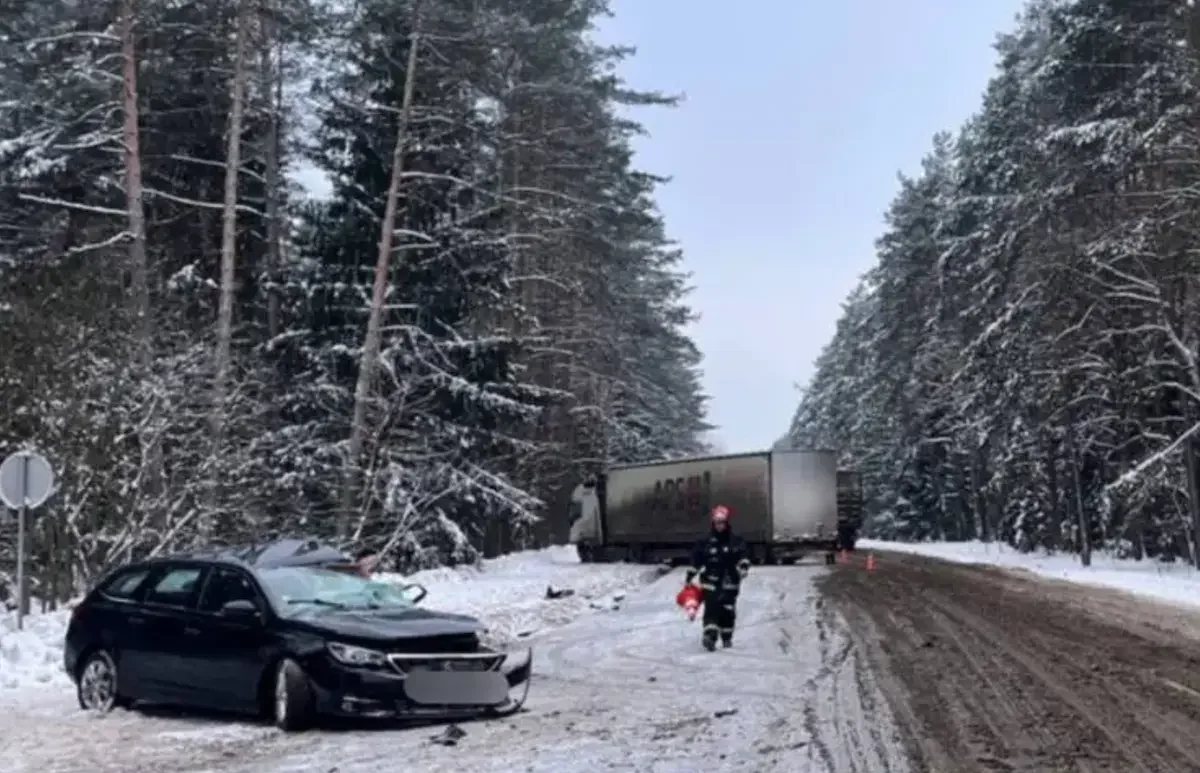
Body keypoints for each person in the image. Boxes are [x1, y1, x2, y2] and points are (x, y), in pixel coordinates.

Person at [684, 504, 750, 651]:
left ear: (727, 523)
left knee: (727, 610)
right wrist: (690, 574)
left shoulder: (735, 541)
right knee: (711, 608)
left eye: (722, 523)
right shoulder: (705, 542)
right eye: (717, 523)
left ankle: (726, 637)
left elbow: (743, 555)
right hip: (710, 582)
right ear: (713, 523)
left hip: (730, 582)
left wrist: (744, 566)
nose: (720, 526)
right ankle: (710, 637)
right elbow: (696, 559)